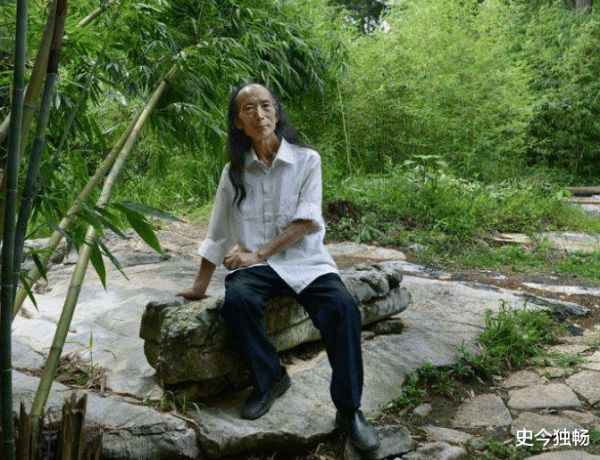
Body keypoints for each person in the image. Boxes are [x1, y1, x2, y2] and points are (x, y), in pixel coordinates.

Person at [177, 82, 380, 452]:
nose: (259, 114)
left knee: (343, 309)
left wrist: (257, 254)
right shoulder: (233, 172)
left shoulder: (307, 160)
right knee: (238, 302)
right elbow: (218, 233)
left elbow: (305, 223)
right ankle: (270, 378)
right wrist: (199, 286)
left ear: (276, 112)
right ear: (238, 122)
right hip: (255, 269)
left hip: (306, 262)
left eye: (266, 106)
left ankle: (349, 410)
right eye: (248, 108)